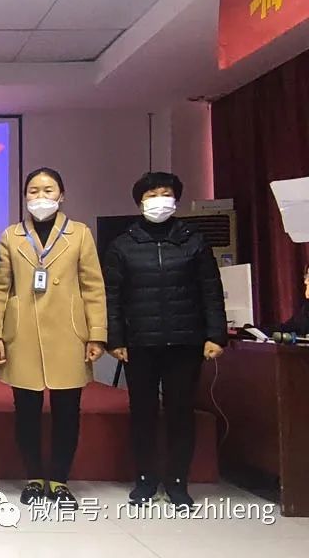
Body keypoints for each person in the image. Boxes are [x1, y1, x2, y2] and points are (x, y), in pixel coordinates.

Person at [103, 172, 226, 508]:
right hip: (140, 343)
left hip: (185, 342)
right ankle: (145, 479)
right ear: (140, 202)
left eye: (165, 193)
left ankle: (177, 482)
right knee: (142, 413)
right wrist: (115, 338)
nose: (159, 200)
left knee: (180, 413)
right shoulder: (122, 244)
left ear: (176, 199)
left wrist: (216, 334)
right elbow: (112, 297)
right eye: (151, 195)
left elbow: (211, 290)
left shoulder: (194, 241)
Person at [0, 168, 107, 507]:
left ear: (61, 195)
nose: (41, 196)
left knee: (67, 412)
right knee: (26, 413)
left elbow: (93, 287)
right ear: (25, 196)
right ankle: (34, 478)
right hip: (22, 334)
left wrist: (97, 335)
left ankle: (59, 480)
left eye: (48, 190)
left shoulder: (79, 234)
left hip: (69, 333)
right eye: (34, 191)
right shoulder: (11, 236)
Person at [270, 264, 309, 336]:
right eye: (306, 276)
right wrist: (255, 331)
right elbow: (286, 329)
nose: (305, 282)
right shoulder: (306, 308)